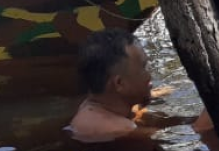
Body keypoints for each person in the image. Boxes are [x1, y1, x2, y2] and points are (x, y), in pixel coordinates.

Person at [69, 28, 211, 142]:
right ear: (120, 83)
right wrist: (217, 99)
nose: (150, 76)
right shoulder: (118, 129)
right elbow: (194, 133)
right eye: (143, 68)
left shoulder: (100, 103)